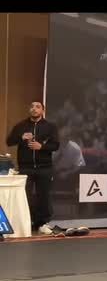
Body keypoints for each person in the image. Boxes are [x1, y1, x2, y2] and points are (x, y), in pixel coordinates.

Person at [6, 100, 60, 235]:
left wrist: (42, 147)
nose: (34, 109)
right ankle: (27, 222)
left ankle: (42, 223)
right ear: (29, 110)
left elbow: (56, 145)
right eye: (32, 107)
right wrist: (21, 137)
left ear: (43, 110)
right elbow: (9, 142)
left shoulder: (50, 127)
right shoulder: (21, 126)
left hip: (44, 167)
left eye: (37, 107)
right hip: (26, 167)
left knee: (44, 196)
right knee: (25, 196)